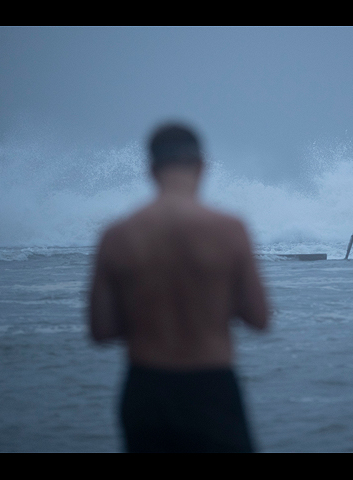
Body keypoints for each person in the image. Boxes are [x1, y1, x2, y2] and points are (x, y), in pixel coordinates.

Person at [89, 123, 269, 452]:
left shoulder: (116, 236)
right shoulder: (229, 230)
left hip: (145, 389)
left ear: (151, 169)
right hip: (211, 386)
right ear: (202, 166)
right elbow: (259, 318)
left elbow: (101, 330)